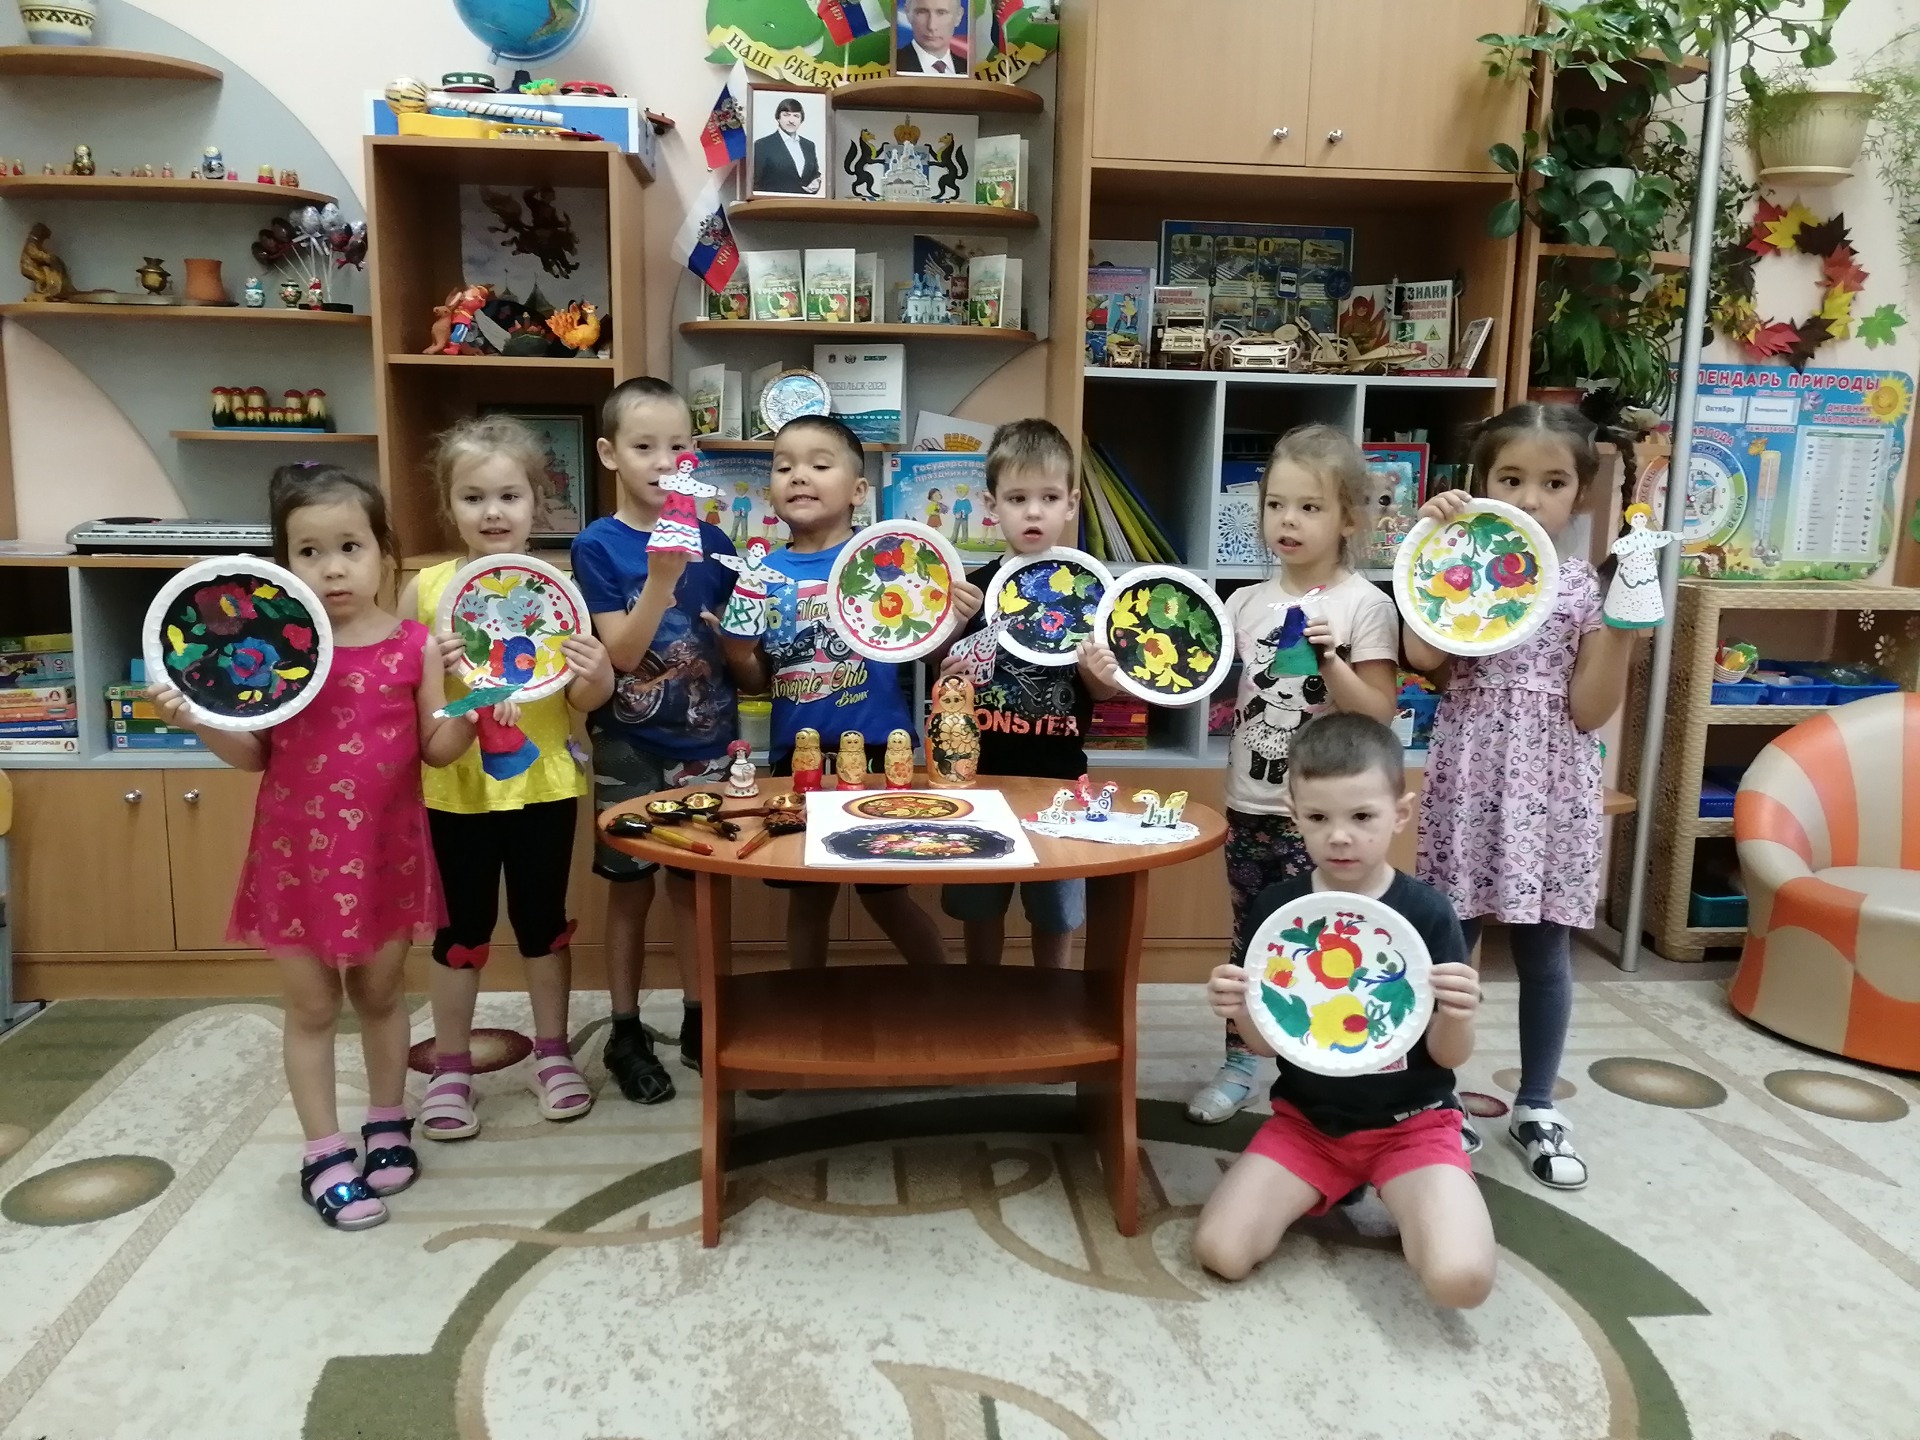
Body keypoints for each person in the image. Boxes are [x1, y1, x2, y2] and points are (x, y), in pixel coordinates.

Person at [149, 464, 477, 1231]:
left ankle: (388, 1122)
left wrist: (473, 704)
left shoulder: (414, 646)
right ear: (282, 564)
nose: (332, 568)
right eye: (309, 551)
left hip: (387, 856)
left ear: (384, 552)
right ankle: (323, 1153)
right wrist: (197, 719)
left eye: (349, 547)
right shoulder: (271, 650)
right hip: (295, 859)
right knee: (312, 1005)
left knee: (382, 997)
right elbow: (253, 756)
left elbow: (437, 750)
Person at [1405, 403, 1641, 1190]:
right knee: (1452, 943)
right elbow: (1421, 655)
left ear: (1580, 494)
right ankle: (1433, 1095)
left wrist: (1624, 624)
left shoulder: (1582, 589)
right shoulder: (1460, 563)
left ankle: (1538, 1103)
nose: (1530, 498)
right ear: (1482, 482)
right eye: (1510, 479)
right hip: (1470, 772)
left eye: (1553, 482)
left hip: (1553, 783)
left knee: (1545, 952)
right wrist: (1430, 546)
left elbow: (1589, 710)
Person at [1191, 714, 1495, 1309]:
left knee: (1460, 1279)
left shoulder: (1427, 913)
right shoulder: (1278, 911)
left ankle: (1418, 1188)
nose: (1339, 837)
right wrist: (1238, 1007)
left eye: (1362, 817)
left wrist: (1459, 1014)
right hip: (1309, 1124)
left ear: (1399, 813)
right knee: (1221, 1251)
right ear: (1293, 814)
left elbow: (1447, 1057)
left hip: (1413, 1124)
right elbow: (1267, 1044)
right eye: (1318, 818)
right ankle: (1345, 1183)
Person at [399, 416, 616, 1143]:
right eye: (473, 497)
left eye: (509, 496)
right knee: (459, 930)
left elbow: (583, 698)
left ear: (536, 503)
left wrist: (597, 671)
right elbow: (407, 700)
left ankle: (552, 1054)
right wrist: (437, 671)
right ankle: (452, 1065)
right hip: (454, 785)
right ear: (449, 505)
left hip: (542, 785)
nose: (492, 512)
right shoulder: (426, 591)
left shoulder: (559, 590)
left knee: (542, 923)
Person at [1189, 423, 1399, 1125]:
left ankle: (1325, 1069)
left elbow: (1378, 712)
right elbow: (1199, 680)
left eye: (1310, 507)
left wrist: (1331, 658)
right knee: (1251, 937)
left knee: (1329, 939)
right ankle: (1239, 1063)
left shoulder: (1365, 605)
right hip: (1249, 802)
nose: (1288, 520)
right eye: (1276, 504)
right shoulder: (1244, 604)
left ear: (1348, 519)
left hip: (1326, 817)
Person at [571, 377, 751, 1104]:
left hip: (708, 743)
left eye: (677, 447)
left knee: (696, 889)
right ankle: (624, 1027)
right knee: (629, 889)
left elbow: (738, 647)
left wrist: (743, 630)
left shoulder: (717, 541)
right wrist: (660, 580)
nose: (663, 461)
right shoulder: (597, 545)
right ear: (610, 453)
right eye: (644, 446)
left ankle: (703, 1014)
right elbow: (618, 655)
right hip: (629, 745)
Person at [722, 415, 955, 968]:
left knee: (886, 894)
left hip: (880, 754)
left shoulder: (888, 561)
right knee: (807, 897)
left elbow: (931, 652)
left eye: (820, 464)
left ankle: (944, 992)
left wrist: (954, 619)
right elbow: (756, 680)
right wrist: (736, 652)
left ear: (858, 491)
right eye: (784, 466)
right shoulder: (760, 573)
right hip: (795, 756)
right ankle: (806, 1006)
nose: (799, 475)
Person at [932, 419, 1119, 967]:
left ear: (1071, 504)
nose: (1033, 512)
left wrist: (1100, 675)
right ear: (992, 506)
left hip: (1060, 779)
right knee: (979, 902)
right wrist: (951, 645)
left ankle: (1054, 997)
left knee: (1056, 909)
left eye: (1049, 498)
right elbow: (940, 669)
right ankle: (982, 993)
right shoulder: (974, 589)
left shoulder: (1093, 594)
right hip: (979, 776)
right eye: (1017, 499)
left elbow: (1101, 693)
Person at [751, 95, 821, 195]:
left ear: (801, 120)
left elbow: (815, 174)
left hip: (804, 203)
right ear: (778, 118)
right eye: (786, 115)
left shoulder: (809, 145)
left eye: (796, 116)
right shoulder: (762, 145)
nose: (791, 120)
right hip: (774, 203)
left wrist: (816, 182)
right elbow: (755, 184)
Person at [896, 0, 965, 74]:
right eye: (922, 12)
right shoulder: (892, 65)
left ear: (958, 16)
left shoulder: (967, 68)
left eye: (941, 13)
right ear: (907, 13)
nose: (931, 26)